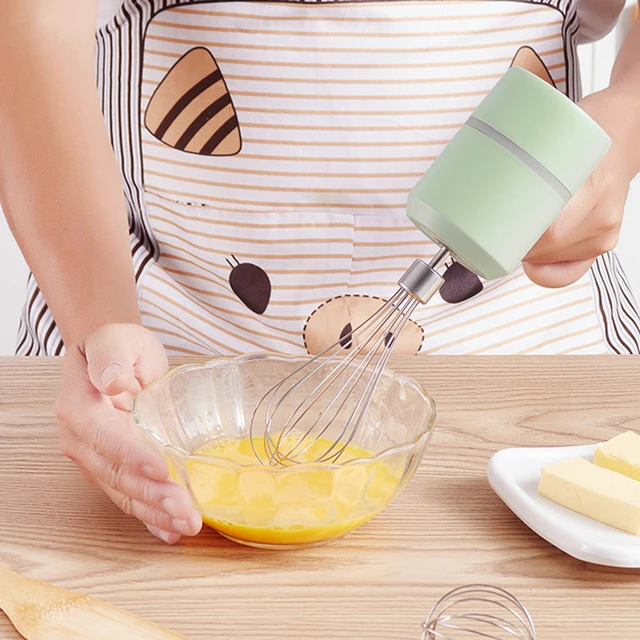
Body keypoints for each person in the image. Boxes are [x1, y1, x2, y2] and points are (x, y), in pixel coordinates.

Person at [1, 0, 639, 544]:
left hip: (537, 382)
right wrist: (100, 325)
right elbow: (30, 20)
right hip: (165, 372)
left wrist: (627, 123)